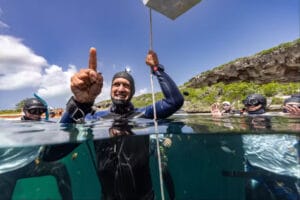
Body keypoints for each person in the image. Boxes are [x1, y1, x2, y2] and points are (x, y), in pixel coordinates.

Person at [60, 47, 184, 199]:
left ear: (131, 92)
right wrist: (79, 103)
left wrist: (156, 68)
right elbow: (53, 153)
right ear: (110, 89)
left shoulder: (144, 114)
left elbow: (174, 101)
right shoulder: (95, 118)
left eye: (126, 85)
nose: (120, 88)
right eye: (116, 84)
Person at [0, 97, 73, 199]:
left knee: (59, 168)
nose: (36, 115)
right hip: (9, 168)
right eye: (33, 111)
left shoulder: (44, 124)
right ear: (24, 111)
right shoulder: (11, 125)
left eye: (40, 111)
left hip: (30, 164)